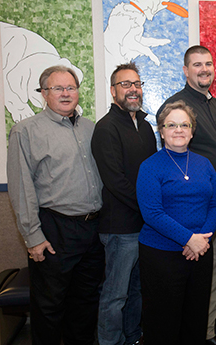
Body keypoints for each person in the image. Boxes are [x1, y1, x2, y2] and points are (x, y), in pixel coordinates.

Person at [7, 65, 104, 345]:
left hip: (92, 229)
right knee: (49, 308)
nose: (65, 93)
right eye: (57, 88)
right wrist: (33, 237)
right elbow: (21, 187)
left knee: (85, 304)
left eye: (70, 88)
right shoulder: (25, 131)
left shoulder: (90, 128)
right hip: (54, 230)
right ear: (43, 94)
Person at [156, 45, 216, 345]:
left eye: (209, 64)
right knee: (191, 276)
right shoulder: (177, 105)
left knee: (213, 274)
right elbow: (169, 159)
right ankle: (190, 334)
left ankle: (206, 332)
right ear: (186, 70)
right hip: (191, 210)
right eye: (197, 64)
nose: (204, 69)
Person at [137, 100, 216, 344]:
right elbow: (152, 213)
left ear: (192, 131)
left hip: (200, 253)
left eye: (184, 124)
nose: (178, 130)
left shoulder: (204, 164)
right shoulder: (150, 166)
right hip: (161, 256)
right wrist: (189, 239)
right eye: (171, 125)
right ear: (161, 130)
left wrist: (201, 239)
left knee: (195, 321)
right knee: (162, 323)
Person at [91, 62, 157, 345]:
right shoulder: (105, 128)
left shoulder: (144, 126)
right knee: (115, 295)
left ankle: (132, 338)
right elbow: (115, 181)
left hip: (144, 226)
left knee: (137, 291)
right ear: (113, 90)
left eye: (137, 84)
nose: (133, 89)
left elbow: (153, 172)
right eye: (126, 84)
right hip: (119, 228)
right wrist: (150, 209)